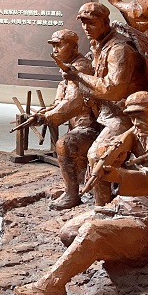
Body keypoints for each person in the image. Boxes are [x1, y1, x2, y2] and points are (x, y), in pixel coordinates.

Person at [14, 92, 148, 295]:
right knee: (69, 232)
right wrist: (107, 154)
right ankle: (109, 255)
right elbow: (114, 145)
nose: (136, 123)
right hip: (123, 207)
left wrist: (120, 176)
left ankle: (50, 287)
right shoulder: (138, 133)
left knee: (93, 231)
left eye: (142, 116)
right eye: (132, 117)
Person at [63, 2, 148, 205]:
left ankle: (101, 208)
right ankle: (75, 194)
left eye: (92, 23)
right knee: (67, 144)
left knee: (98, 156)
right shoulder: (99, 45)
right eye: (84, 23)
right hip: (105, 114)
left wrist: (79, 77)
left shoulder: (119, 49)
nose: (86, 28)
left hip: (126, 116)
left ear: (106, 22)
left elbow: (113, 89)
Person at [31, 30, 98, 210]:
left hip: (93, 127)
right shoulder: (68, 67)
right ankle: (75, 187)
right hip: (78, 125)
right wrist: (46, 112)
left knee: (64, 145)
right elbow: (61, 101)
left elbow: (73, 104)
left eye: (59, 45)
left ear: (74, 47)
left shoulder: (80, 68)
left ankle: (72, 194)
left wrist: (46, 117)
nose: (55, 50)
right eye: (53, 46)